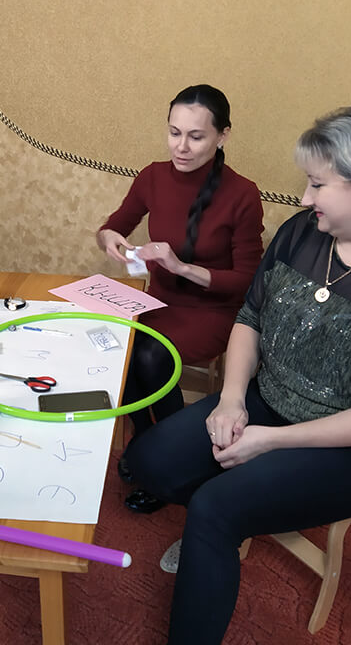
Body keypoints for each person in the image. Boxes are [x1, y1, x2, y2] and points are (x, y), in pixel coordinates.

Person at [126, 103, 351, 644]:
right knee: (147, 462)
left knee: (215, 509)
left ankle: (217, 528)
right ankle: (228, 519)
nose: (304, 198)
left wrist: (271, 442)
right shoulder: (303, 233)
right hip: (271, 402)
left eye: (318, 185)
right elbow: (251, 318)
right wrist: (232, 400)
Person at [97, 84, 264, 513]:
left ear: (222, 136)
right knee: (120, 346)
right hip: (159, 300)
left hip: (214, 310)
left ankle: (169, 460)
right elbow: (113, 225)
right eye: (174, 133)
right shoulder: (153, 176)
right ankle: (146, 441)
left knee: (149, 355)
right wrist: (110, 238)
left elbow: (247, 281)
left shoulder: (242, 194)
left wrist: (182, 267)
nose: (181, 147)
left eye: (196, 136)